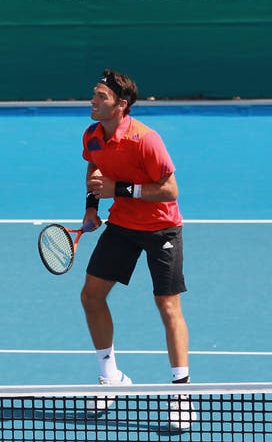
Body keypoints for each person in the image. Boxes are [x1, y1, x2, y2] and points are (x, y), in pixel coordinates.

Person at [80, 69, 196, 430]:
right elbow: (94, 171)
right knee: (91, 296)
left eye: (101, 96)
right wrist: (91, 209)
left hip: (162, 227)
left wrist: (120, 190)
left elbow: (170, 190)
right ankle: (110, 376)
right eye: (94, 94)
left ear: (121, 105)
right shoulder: (93, 136)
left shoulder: (147, 140)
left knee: (167, 305)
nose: (93, 101)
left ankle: (181, 393)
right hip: (122, 226)